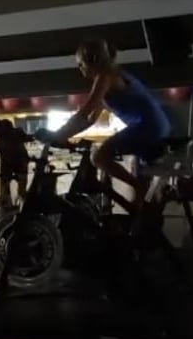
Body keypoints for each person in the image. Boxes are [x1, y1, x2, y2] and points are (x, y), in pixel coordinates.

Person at [35, 40, 171, 213]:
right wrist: (65, 136)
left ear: (92, 59)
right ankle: (138, 214)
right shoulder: (113, 74)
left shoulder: (105, 76)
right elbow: (90, 119)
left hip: (148, 125)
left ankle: (139, 188)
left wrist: (58, 135)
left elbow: (84, 112)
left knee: (98, 157)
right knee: (136, 201)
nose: (79, 68)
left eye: (80, 64)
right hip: (156, 124)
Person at [0, 118, 32, 208]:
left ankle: (13, 207)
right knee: (18, 192)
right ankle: (25, 208)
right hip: (17, 164)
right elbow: (28, 139)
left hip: (13, 164)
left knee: (9, 192)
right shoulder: (14, 134)